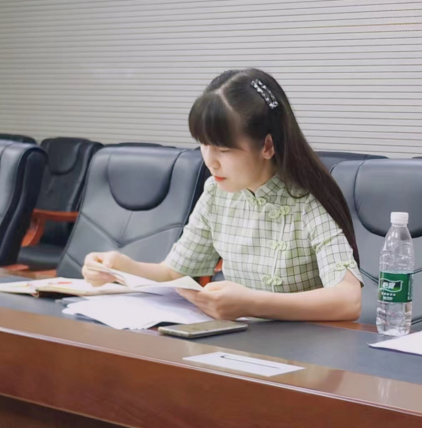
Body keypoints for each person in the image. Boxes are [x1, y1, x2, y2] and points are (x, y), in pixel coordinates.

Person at [83, 68, 363, 322]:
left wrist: (252, 304)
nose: (210, 161)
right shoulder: (217, 193)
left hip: (304, 348)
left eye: (224, 150)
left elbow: (348, 300)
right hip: (240, 340)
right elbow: (174, 273)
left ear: (267, 146)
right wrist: (121, 268)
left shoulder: (308, 201)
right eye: (203, 145)